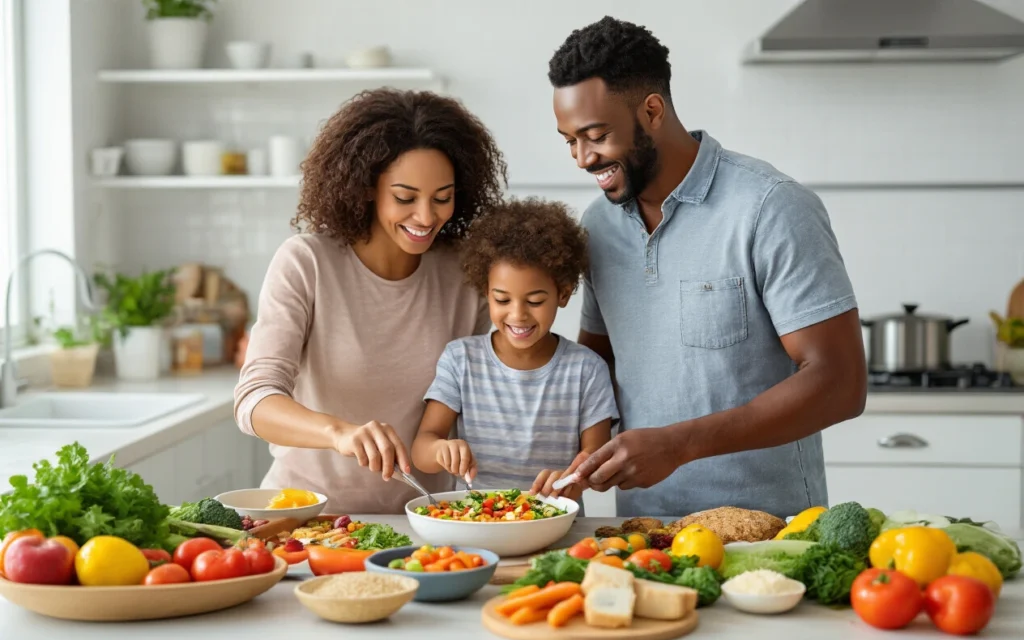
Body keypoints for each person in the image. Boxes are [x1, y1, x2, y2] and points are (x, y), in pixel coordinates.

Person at [546, 17, 868, 519]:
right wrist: (583, 454)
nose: (582, 158)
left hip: (771, 532)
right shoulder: (599, 225)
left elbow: (841, 383)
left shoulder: (770, 208)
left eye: (596, 136)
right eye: (569, 140)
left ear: (651, 110)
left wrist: (680, 445)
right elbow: (597, 368)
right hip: (642, 530)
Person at [234, 88, 508, 513]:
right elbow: (254, 401)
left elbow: (471, 400)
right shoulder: (307, 262)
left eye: (442, 198)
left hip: (424, 519)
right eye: (405, 197)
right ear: (365, 188)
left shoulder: (464, 274)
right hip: (308, 517)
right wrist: (338, 433)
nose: (426, 217)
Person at [411, 198, 619, 503]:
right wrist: (440, 450)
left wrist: (574, 478)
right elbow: (421, 449)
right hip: (477, 524)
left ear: (562, 293)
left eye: (534, 301)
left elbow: (596, 456)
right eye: (502, 300)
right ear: (486, 293)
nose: (518, 315)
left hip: (557, 525)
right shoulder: (461, 360)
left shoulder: (586, 369)